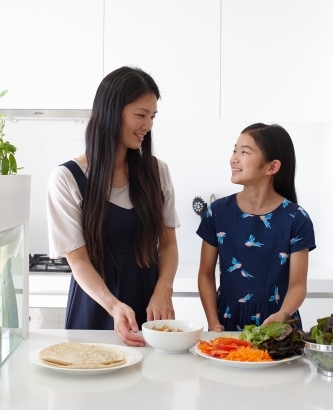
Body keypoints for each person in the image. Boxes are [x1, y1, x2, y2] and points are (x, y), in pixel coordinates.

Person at [47, 66, 179, 346]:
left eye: (152, 116)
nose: (148, 125)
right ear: (110, 112)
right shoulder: (67, 178)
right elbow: (78, 260)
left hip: (148, 301)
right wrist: (114, 306)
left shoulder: (157, 172)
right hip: (96, 304)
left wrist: (164, 288)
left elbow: (167, 244)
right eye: (141, 115)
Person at [197, 123, 315, 332]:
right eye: (235, 150)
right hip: (227, 321)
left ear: (272, 167)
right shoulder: (217, 212)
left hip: (279, 324)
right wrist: (213, 322)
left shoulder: (296, 218)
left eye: (244, 152)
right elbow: (206, 274)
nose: (234, 158)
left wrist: (282, 315)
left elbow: (297, 285)